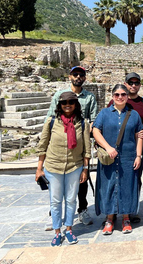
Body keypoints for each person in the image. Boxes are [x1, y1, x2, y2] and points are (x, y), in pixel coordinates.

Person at [36, 92, 91, 246]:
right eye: (64, 102)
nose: (67, 105)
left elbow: (87, 148)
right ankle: (57, 231)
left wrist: (85, 169)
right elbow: (43, 146)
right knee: (55, 201)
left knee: (71, 199)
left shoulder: (83, 123)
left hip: (74, 166)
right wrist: (39, 169)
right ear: (59, 105)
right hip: (54, 166)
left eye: (71, 102)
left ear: (76, 104)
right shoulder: (51, 122)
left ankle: (69, 229)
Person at [46, 66, 97, 228]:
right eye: (75, 74)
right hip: (60, 145)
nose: (78, 77)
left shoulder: (89, 97)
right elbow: (51, 119)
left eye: (81, 75)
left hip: (79, 145)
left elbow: (93, 120)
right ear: (70, 77)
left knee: (82, 180)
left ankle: (82, 209)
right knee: (57, 182)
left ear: (84, 78)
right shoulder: (59, 95)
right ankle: (55, 213)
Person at [93, 84, 143, 235]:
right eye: (117, 94)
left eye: (123, 94)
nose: (120, 97)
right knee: (108, 185)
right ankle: (109, 219)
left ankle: (126, 218)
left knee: (127, 186)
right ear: (112, 96)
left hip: (128, 157)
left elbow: (139, 135)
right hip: (109, 158)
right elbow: (95, 130)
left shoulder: (134, 114)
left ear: (127, 96)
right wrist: (108, 147)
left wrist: (139, 155)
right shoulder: (104, 113)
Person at [107, 73, 143, 223]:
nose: (133, 85)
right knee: (114, 179)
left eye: (136, 83)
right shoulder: (114, 101)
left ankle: (130, 209)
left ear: (140, 85)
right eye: (130, 82)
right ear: (125, 84)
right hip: (116, 149)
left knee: (134, 180)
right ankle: (112, 212)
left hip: (135, 148)